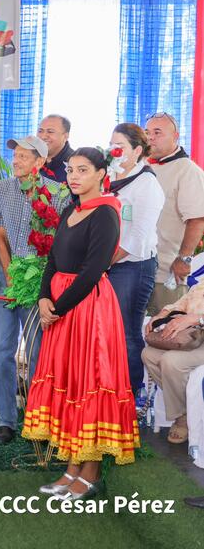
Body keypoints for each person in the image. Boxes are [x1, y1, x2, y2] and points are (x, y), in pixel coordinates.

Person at [24, 147, 138, 501]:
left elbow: (93, 271)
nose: (74, 176)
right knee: (70, 384)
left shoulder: (106, 213)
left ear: (101, 174)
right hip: (61, 308)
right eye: (71, 170)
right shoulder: (70, 210)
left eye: (83, 170)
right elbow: (53, 260)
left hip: (88, 310)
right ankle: (72, 468)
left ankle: (90, 472)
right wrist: (44, 297)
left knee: (88, 383)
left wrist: (56, 307)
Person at [0, 135, 69, 444]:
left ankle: (38, 420)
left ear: (41, 161)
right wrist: (10, 274)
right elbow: (0, 236)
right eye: (15, 155)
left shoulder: (58, 194)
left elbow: (60, 243)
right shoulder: (1, 189)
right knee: (1, 353)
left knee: (37, 354)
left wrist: (43, 283)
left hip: (39, 284)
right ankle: (6, 421)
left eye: (24, 156)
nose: (17, 160)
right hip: (8, 281)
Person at [106, 124, 164, 395]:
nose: (113, 151)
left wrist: (103, 263)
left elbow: (137, 237)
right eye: (111, 145)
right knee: (108, 331)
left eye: (119, 146)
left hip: (133, 265)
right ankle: (110, 391)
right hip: (109, 264)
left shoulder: (147, 184)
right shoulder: (109, 177)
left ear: (137, 150)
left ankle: (131, 395)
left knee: (127, 331)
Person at [144, 112, 204, 314]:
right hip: (135, 269)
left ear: (175, 136)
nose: (150, 137)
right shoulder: (140, 166)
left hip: (167, 272)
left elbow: (197, 219)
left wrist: (184, 258)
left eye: (157, 132)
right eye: (147, 132)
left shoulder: (187, 170)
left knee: (164, 325)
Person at [142, 283, 204, 444]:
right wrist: (161, 315)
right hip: (191, 338)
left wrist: (197, 318)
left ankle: (182, 418)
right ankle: (186, 410)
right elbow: (181, 303)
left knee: (171, 361)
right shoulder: (202, 284)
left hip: (200, 341)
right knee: (148, 355)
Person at [38, 114, 73, 183]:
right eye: (40, 131)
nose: (43, 136)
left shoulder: (74, 164)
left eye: (50, 131)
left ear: (65, 136)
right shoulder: (33, 157)